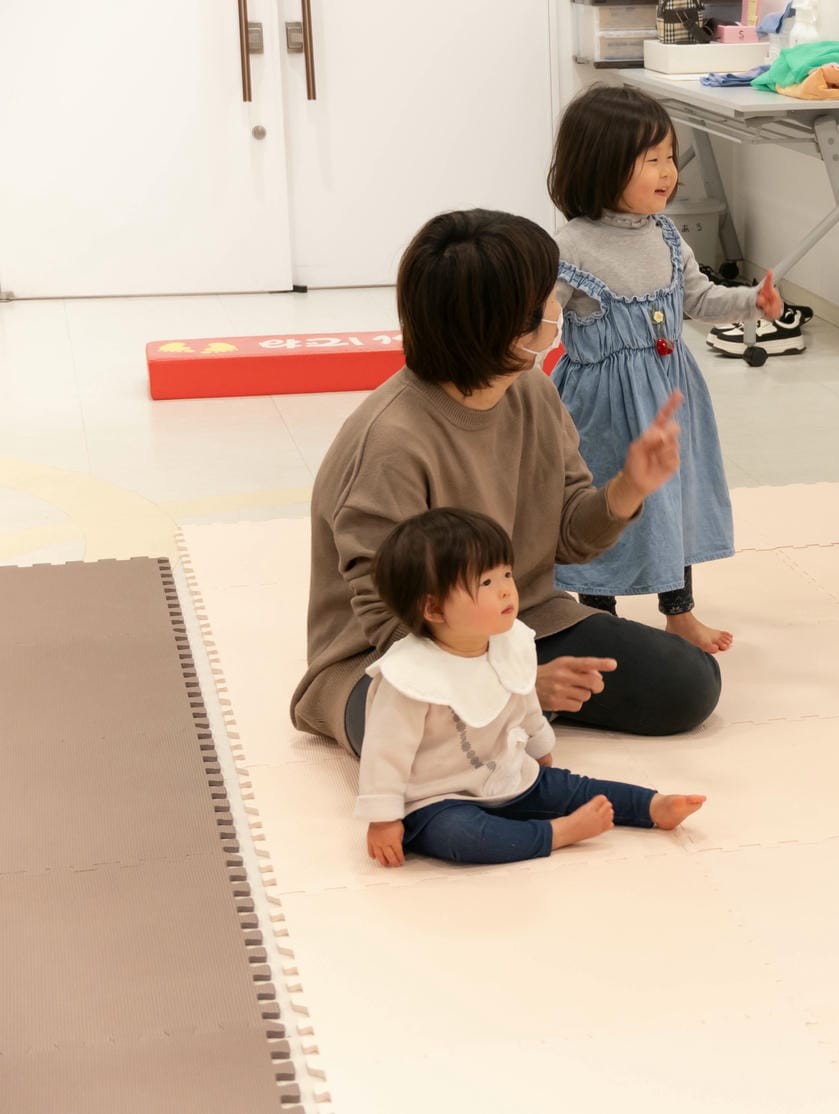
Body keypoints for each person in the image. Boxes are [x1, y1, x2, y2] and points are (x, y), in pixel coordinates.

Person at [292, 208, 722, 757]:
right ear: (505, 327)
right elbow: (389, 620)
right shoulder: (390, 443)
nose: (558, 308)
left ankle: (504, 715)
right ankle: (502, 714)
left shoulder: (533, 392)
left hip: (520, 623)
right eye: (547, 297)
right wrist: (511, 687)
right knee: (403, 739)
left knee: (688, 683)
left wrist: (628, 489)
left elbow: (569, 537)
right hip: (395, 660)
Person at [545, 83, 782, 654]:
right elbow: (542, 319)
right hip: (602, 408)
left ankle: (680, 611)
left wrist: (751, 301)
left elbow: (698, 299)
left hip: (671, 396)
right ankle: (596, 616)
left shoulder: (667, 234)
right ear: (600, 164)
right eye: (650, 159)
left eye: (670, 156)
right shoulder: (571, 246)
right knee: (606, 502)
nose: (668, 172)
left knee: (673, 500)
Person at [356, 508, 706, 867]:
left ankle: (651, 806)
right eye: (486, 583)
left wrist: (539, 747)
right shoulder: (408, 676)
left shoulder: (509, 642)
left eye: (506, 574)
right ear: (434, 608)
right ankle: (558, 833)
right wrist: (383, 820)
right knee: (463, 837)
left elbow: (524, 701)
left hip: (507, 776)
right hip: (437, 800)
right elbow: (385, 754)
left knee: (571, 787)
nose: (506, 590)